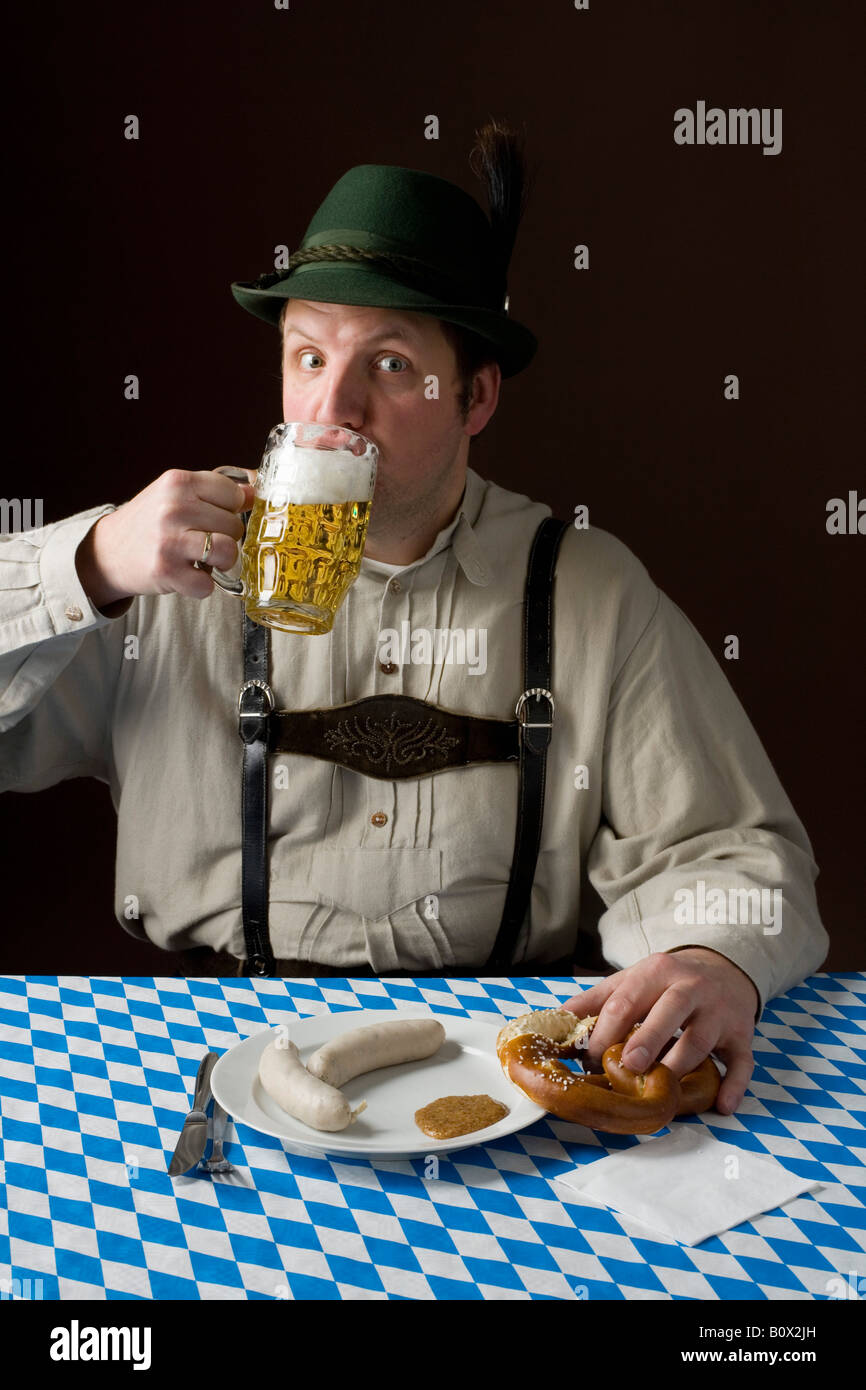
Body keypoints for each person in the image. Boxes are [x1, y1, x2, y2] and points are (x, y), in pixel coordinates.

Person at [0, 122, 828, 1116]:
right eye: (306, 355)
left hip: (504, 1079)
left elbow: (734, 853)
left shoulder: (585, 590)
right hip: (202, 1065)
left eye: (388, 365)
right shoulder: (164, 557)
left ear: (474, 396)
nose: (331, 408)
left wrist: (710, 954)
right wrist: (85, 566)